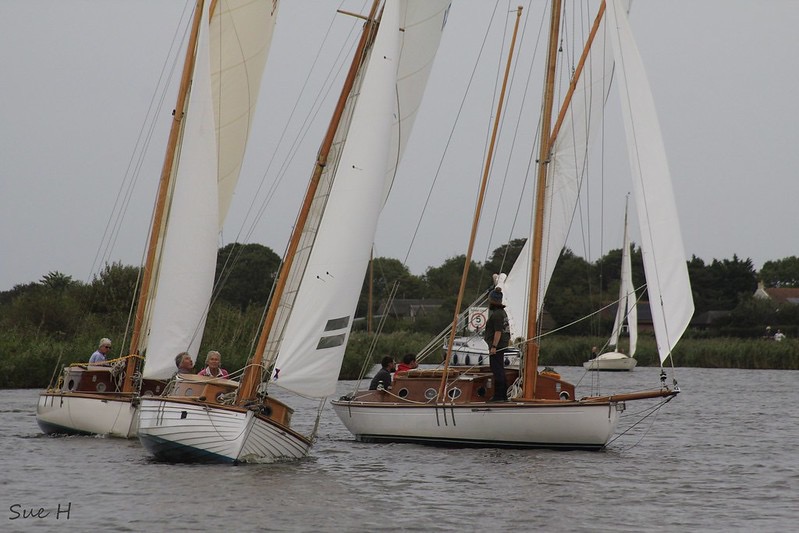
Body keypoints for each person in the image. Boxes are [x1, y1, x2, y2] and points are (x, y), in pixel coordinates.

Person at [484, 288, 510, 401]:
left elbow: (498, 332)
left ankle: (499, 396)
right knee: (499, 369)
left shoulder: (497, 315)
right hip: (501, 345)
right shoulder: (502, 313)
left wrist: (494, 346)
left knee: (497, 369)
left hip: (497, 346)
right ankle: (502, 395)